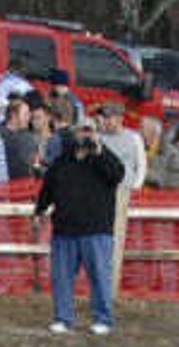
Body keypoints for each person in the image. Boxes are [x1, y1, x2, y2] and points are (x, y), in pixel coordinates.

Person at [31, 117, 124, 334]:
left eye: (90, 130)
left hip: (96, 231)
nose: (86, 134)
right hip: (65, 230)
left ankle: (103, 319)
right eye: (82, 130)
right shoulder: (63, 160)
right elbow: (48, 188)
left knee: (100, 277)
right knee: (61, 278)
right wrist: (39, 211)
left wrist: (99, 150)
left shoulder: (105, 157)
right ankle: (63, 318)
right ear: (74, 133)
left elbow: (117, 175)